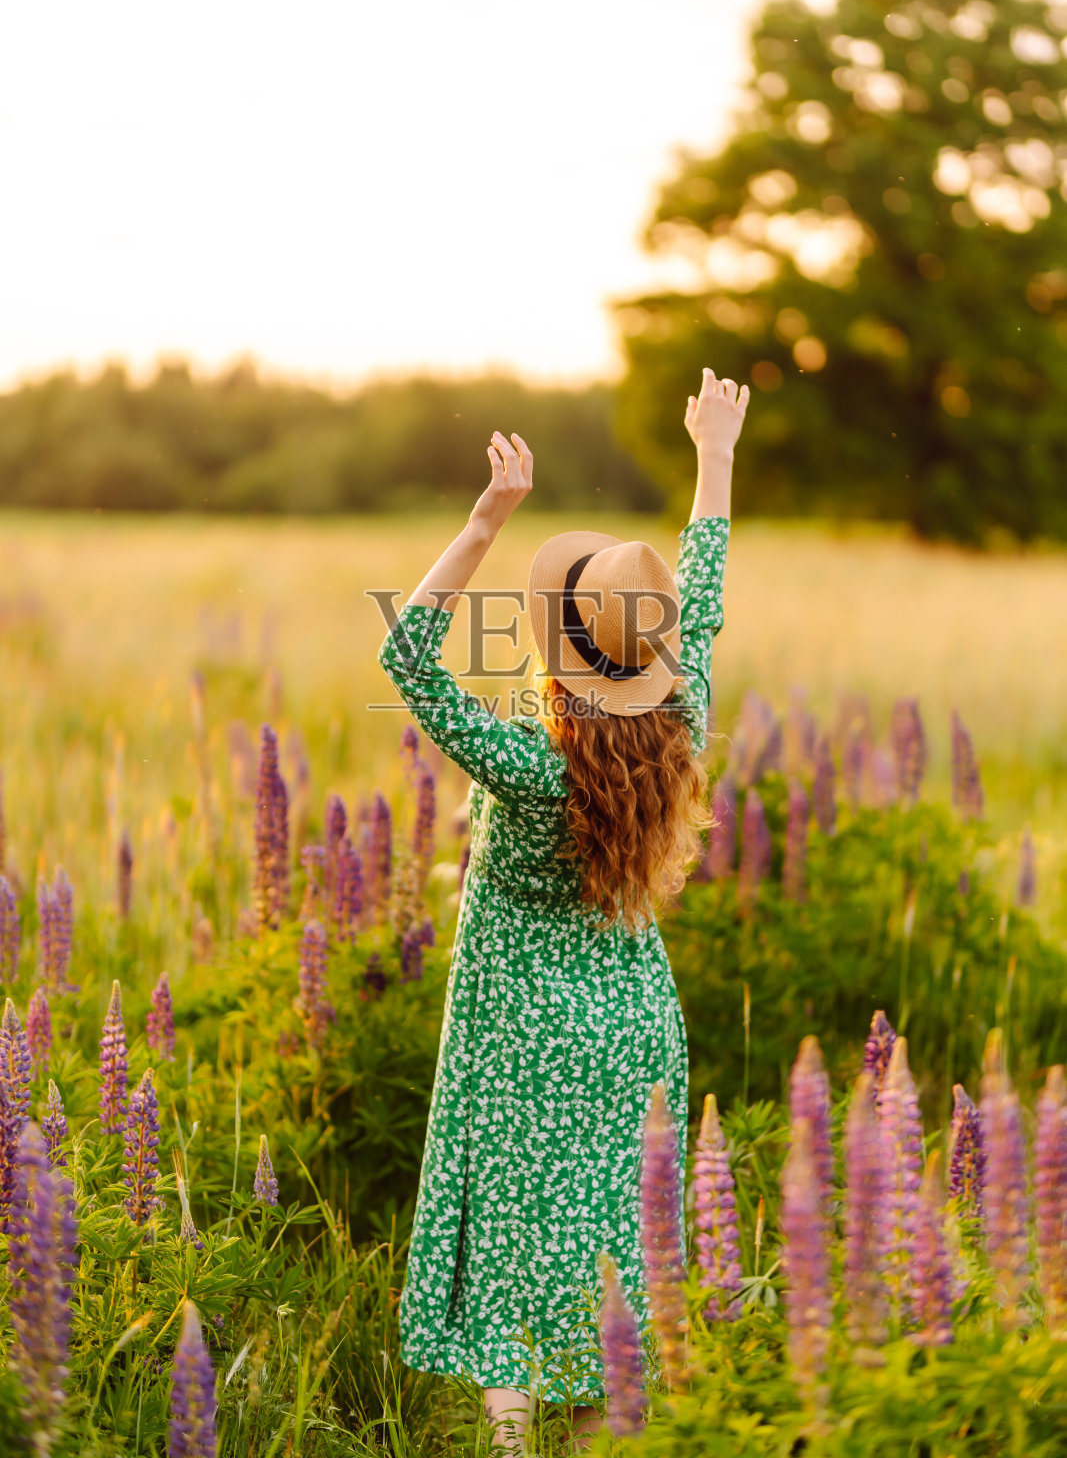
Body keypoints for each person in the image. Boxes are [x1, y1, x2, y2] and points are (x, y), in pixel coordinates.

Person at [377, 368, 748, 1452]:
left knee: (512, 1245)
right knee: (613, 1249)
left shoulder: (532, 764)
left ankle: (506, 1445)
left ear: (559, 646)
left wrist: (489, 516)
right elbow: (707, 591)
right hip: (632, 1025)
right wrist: (713, 453)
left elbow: (408, 654)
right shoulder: (682, 716)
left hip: (520, 1028)